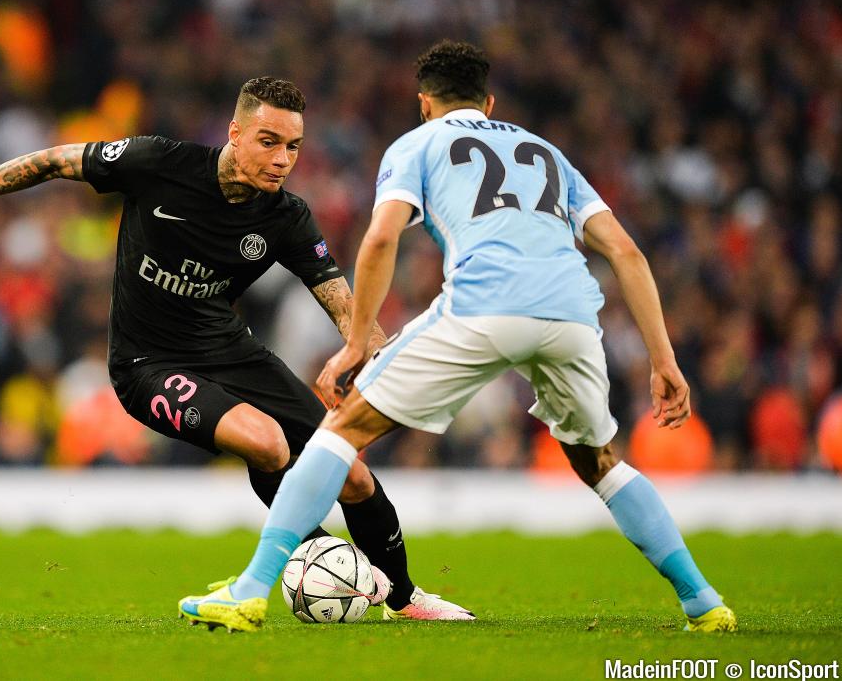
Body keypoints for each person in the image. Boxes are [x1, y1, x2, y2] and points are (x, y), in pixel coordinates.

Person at [179, 42, 738, 633]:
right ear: (489, 102)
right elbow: (624, 249)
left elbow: (380, 240)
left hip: (483, 307)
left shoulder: (416, 144)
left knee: (341, 432)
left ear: (424, 103)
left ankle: (249, 591)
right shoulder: (546, 154)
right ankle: (703, 601)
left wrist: (353, 344)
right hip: (572, 315)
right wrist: (663, 358)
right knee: (600, 462)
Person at [0, 76, 473, 622]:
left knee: (348, 470)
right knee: (267, 442)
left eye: (294, 147)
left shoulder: (285, 218)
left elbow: (347, 309)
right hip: (146, 365)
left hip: (230, 352)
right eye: (269, 142)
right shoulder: (159, 164)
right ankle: (331, 562)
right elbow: (56, 160)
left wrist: (386, 371)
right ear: (234, 133)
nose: (282, 159)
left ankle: (402, 594)